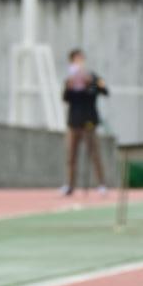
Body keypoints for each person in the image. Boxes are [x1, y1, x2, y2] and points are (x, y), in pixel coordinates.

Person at [60, 49, 108, 196]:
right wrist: (69, 86)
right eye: (75, 60)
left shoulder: (92, 77)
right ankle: (70, 185)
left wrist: (90, 83)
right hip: (74, 122)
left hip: (89, 122)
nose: (78, 62)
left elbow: (103, 91)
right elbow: (65, 98)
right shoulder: (69, 79)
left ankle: (101, 184)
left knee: (95, 154)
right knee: (71, 157)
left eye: (80, 59)